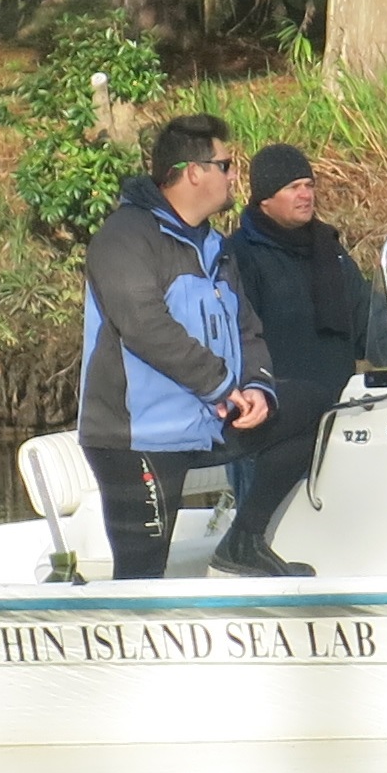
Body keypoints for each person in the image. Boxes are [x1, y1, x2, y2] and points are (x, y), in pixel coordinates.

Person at [78, 113, 327, 578]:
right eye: (227, 165)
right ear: (195, 172)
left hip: (212, 419)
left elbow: (246, 328)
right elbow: (145, 326)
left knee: (317, 406)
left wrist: (257, 387)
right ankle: (128, 644)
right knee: (140, 576)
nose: (236, 176)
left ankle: (244, 542)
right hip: (136, 439)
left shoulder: (216, 245)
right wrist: (219, 385)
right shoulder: (122, 239)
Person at [231, 144, 373, 405]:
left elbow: (368, 318)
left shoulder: (329, 249)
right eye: (293, 187)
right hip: (282, 410)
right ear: (265, 198)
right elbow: (241, 341)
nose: (305, 195)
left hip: (341, 404)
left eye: (309, 185)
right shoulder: (241, 255)